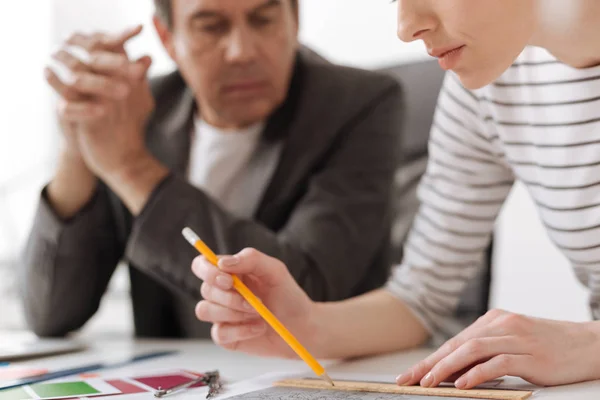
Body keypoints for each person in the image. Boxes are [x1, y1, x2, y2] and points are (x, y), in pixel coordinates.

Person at [191, 0, 600, 389]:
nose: (405, 28)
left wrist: (589, 345)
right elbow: (421, 296)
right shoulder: (490, 85)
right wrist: (306, 325)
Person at [20, 0, 404, 338]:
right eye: (211, 26)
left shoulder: (359, 105)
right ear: (167, 37)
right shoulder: (139, 110)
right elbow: (51, 314)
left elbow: (308, 292)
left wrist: (132, 169)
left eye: (263, 19)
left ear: (294, 18)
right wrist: (79, 142)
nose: (242, 51)